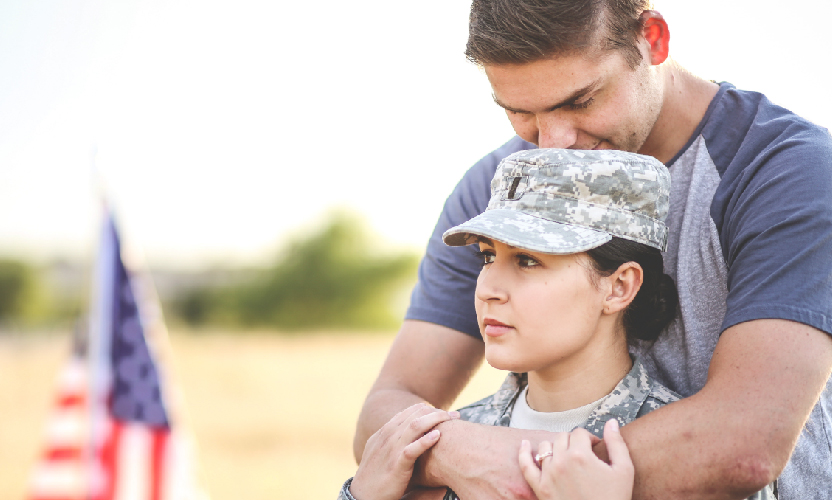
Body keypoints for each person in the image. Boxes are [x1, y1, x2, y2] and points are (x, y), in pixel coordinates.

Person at [353, 1, 832, 499]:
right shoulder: (499, 190)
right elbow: (383, 415)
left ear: (653, 39)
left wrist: (512, 466)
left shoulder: (787, 172)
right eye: (520, 111)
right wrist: (460, 452)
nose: (553, 144)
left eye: (579, 101)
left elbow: (741, 444)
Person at [341, 149, 772, 500]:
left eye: (528, 260)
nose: (488, 287)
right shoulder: (439, 446)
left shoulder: (697, 466)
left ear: (619, 286)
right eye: (488, 256)